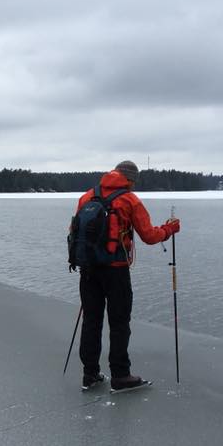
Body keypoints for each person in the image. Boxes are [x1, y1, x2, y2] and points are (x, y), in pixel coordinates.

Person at [71, 160, 180, 391]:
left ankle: (89, 374)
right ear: (130, 179)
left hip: (88, 269)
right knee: (119, 322)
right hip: (116, 269)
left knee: (91, 321)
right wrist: (169, 229)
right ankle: (120, 375)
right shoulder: (129, 199)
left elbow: (74, 232)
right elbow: (149, 236)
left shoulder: (87, 197)